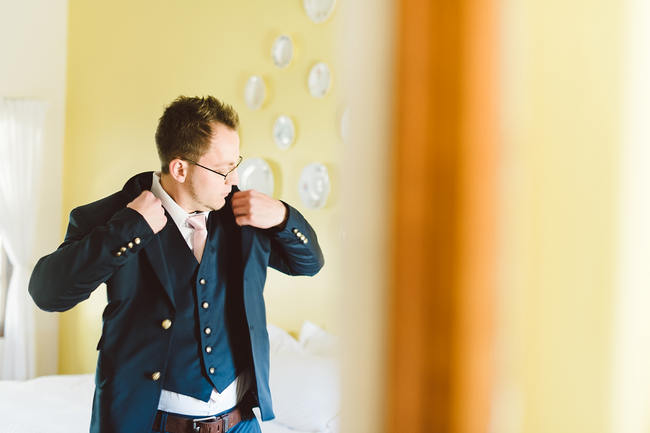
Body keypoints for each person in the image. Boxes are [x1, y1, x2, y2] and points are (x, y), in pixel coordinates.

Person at [28, 95, 324, 433]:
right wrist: (130, 228)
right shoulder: (113, 218)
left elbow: (310, 263)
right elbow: (47, 293)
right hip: (150, 424)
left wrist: (284, 217)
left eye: (236, 163)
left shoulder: (244, 214)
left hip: (240, 424)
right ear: (180, 168)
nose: (234, 177)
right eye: (224, 168)